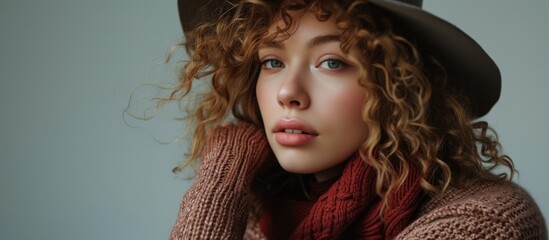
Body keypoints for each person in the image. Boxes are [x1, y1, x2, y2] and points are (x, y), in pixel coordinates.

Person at [168, 0, 547, 239]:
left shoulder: (486, 220)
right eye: (272, 62)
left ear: (398, 82)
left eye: (332, 62)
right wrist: (222, 177)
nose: (287, 92)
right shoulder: (257, 219)